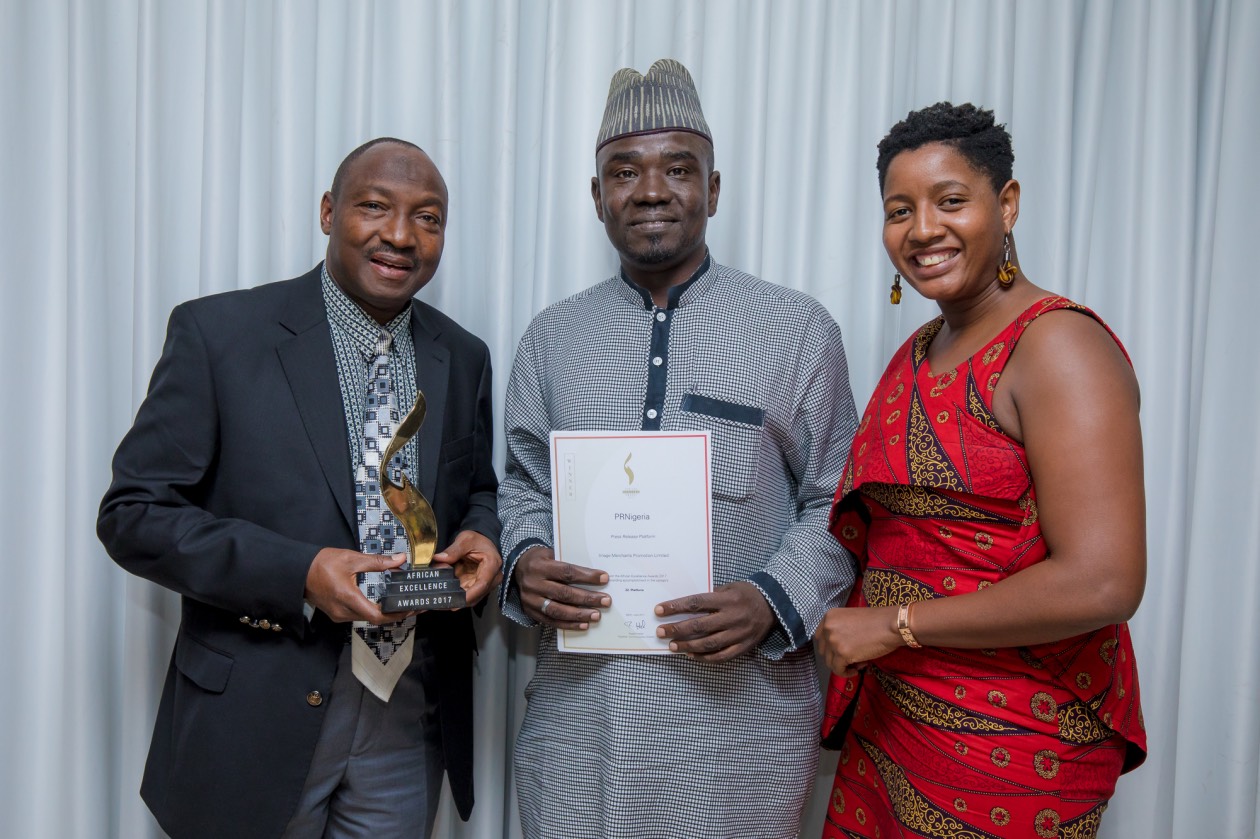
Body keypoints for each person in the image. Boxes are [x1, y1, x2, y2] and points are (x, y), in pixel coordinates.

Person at [97, 138, 502, 839]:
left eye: (428, 218)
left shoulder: (463, 356)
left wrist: (484, 535)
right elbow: (133, 514)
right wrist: (300, 573)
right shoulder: (219, 335)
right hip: (254, 717)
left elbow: (479, 491)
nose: (400, 235)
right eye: (374, 206)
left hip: (410, 716)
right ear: (327, 212)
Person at [496, 59, 859, 838]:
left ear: (714, 189)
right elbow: (522, 484)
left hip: (741, 727)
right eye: (624, 171)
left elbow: (838, 497)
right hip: (579, 718)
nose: (651, 190)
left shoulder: (796, 329)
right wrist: (527, 558)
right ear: (597, 195)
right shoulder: (552, 336)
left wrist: (771, 596)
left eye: (678, 168)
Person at [814, 102, 1147, 838]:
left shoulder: (1058, 346)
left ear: (1008, 204)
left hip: (1015, 738)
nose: (922, 229)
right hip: (895, 721)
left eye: (950, 200)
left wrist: (894, 625)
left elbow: (1104, 580)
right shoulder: (919, 349)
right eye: (899, 210)